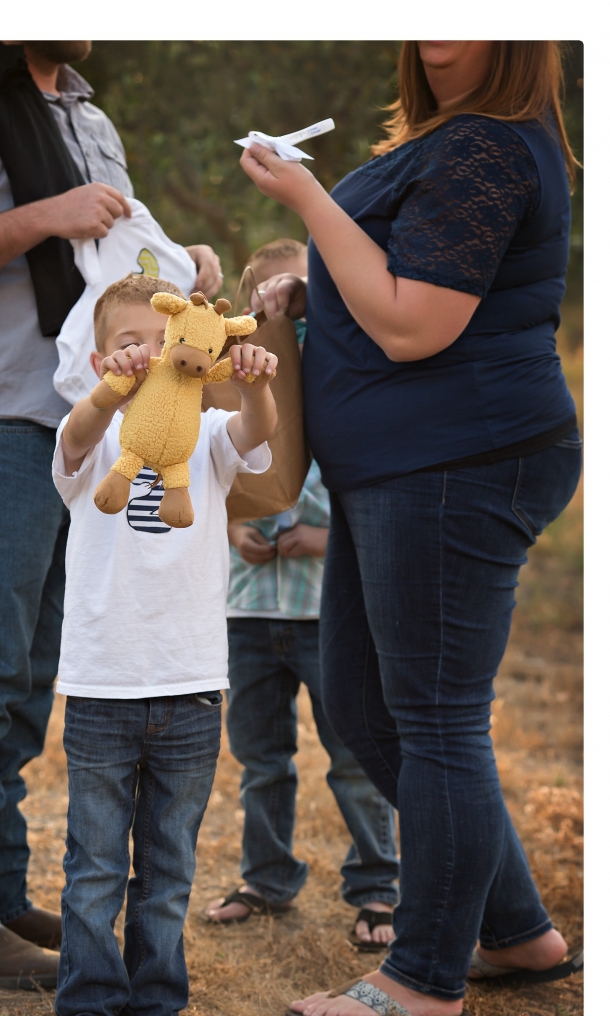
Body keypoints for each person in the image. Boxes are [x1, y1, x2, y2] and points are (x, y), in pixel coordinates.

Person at [238, 40, 583, 1016]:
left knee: (432, 718)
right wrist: (318, 284)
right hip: (399, 469)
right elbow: (392, 273)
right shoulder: (447, 139)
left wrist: (307, 203)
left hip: (456, 465)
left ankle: (425, 972)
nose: (438, 39)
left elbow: (413, 323)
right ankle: (516, 927)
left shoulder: (488, 146)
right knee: (359, 697)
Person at [0, 40, 223, 988]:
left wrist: (181, 268)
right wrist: (48, 213)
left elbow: (112, 278)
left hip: (88, 432)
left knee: (32, 672)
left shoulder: (91, 117)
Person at [47, 274, 277, 1016]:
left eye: (163, 338)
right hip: (106, 686)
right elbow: (76, 441)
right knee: (96, 868)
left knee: (169, 869)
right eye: (128, 342)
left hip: (188, 685)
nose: (150, 353)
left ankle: (157, 1014)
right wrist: (116, 389)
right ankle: (84, 1015)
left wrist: (254, 382)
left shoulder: (210, 432)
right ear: (99, 355)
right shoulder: (94, 433)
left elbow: (257, 437)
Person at [205, 239, 399, 950]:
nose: (276, 306)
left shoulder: (343, 370)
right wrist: (232, 530)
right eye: (262, 296)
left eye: (292, 292)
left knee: (354, 753)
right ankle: (266, 877)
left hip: (327, 603)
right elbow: (213, 466)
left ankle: (378, 888)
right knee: (262, 757)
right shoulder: (232, 370)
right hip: (248, 607)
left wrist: (328, 535)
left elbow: (357, 469)